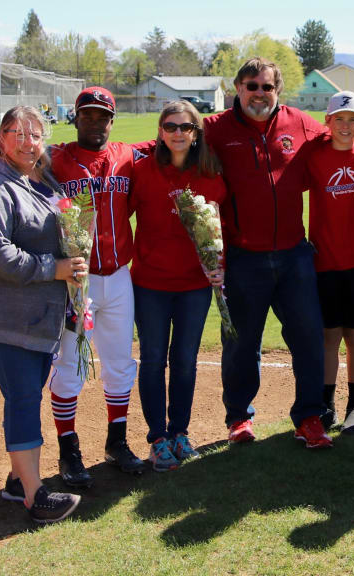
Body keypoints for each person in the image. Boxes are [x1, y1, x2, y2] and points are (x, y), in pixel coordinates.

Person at [203, 57, 333, 449]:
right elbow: (167, 140)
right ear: (237, 89)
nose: (259, 93)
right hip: (244, 257)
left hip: (295, 254)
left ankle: (310, 418)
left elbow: (345, 141)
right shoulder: (215, 129)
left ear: (278, 91)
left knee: (309, 337)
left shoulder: (301, 123)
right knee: (242, 343)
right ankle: (239, 418)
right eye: (251, 86)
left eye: (267, 87)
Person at [0, 105, 86, 523]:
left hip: (37, 316)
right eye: (16, 133)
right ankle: (36, 497)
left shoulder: (39, 177)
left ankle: (19, 480)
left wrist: (75, 258)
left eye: (35, 134)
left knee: (27, 395)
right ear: (0, 138)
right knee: (22, 398)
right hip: (5, 318)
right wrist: (54, 269)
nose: (27, 141)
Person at [46, 87, 144, 485]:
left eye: (102, 116)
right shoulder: (53, 159)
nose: (95, 122)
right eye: (87, 115)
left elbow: (175, 142)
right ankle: (68, 452)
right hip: (76, 281)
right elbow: (7, 164)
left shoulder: (126, 156)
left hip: (119, 276)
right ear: (74, 117)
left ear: (112, 120)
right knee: (69, 365)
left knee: (120, 364)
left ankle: (115, 442)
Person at [129, 100, 226, 471]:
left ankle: (179, 433)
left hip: (193, 286)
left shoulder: (210, 175)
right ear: (159, 131)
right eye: (170, 127)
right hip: (150, 283)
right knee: (153, 360)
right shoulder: (143, 171)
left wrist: (219, 266)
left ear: (196, 132)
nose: (178, 133)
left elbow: (219, 229)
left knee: (184, 361)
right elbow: (121, 215)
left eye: (185, 127)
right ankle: (157, 438)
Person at [305, 91, 354, 434]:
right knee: (329, 335)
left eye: (353, 120)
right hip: (324, 261)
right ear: (328, 121)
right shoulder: (314, 155)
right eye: (339, 119)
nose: (346, 126)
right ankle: (327, 404)